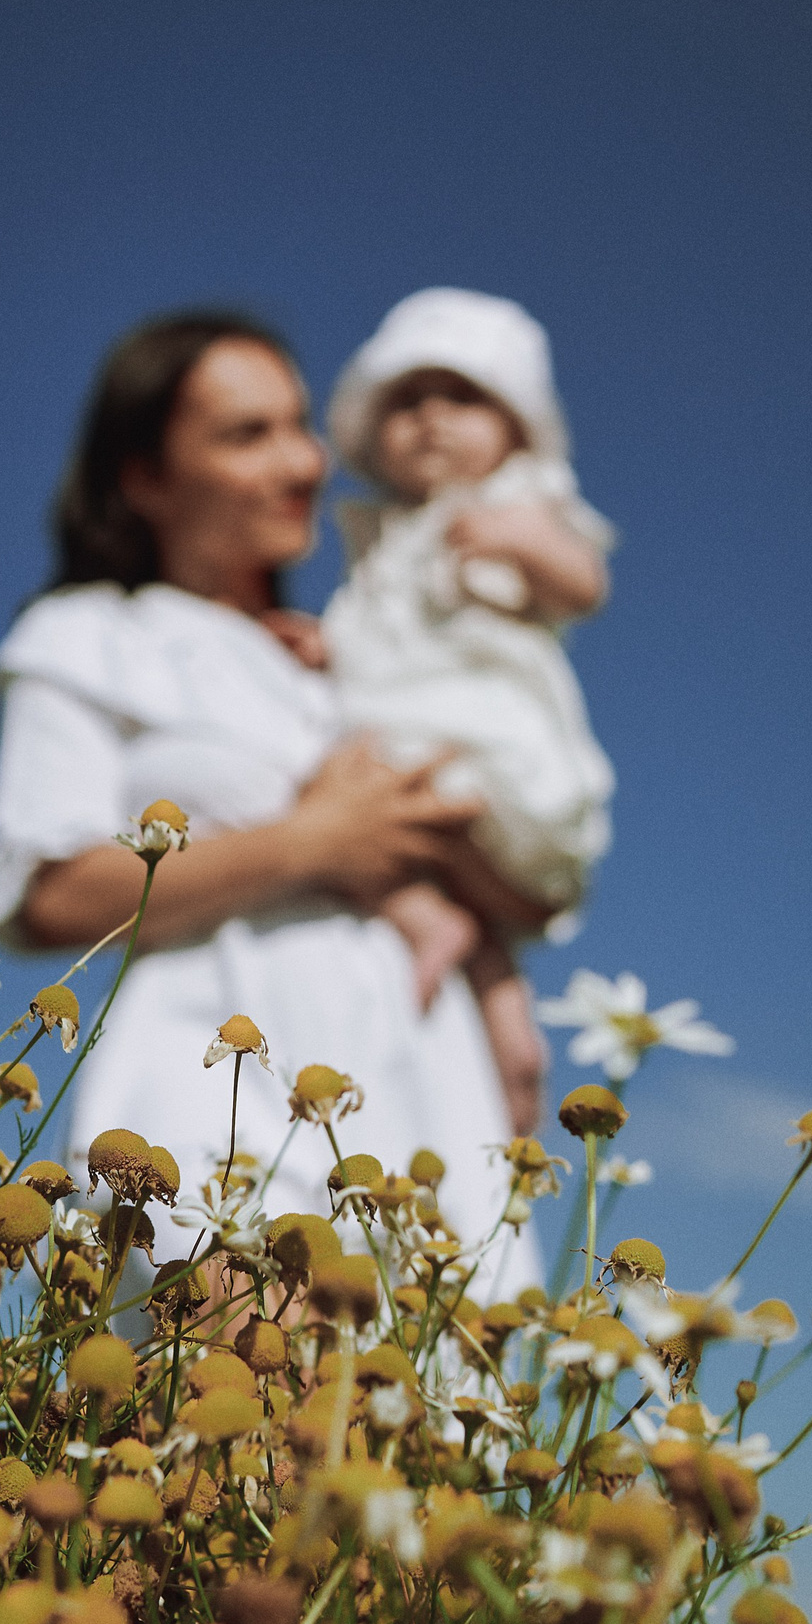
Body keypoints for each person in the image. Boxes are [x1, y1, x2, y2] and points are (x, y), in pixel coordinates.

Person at [0, 309, 545, 1241]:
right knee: (237, 1319)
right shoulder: (92, 635)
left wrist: (503, 1002)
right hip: (218, 1074)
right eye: (248, 435)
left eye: (300, 425)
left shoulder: (351, 666)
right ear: (145, 478)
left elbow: (523, 886)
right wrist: (311, 843)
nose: (305, 462)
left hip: (420, 1091)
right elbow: (48, 896)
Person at [323, 289, 616, 1131]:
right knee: (389, 844)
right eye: (407, 402)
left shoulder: (520, 500)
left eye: (461, 398)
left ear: (517, 428)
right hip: (400, 729)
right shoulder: (381, 537)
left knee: (335, 788)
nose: (431, 419)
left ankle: (442, 934)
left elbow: (586, 585)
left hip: (485, 747)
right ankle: (507, 1026)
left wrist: (527, 542)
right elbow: (365, 638)